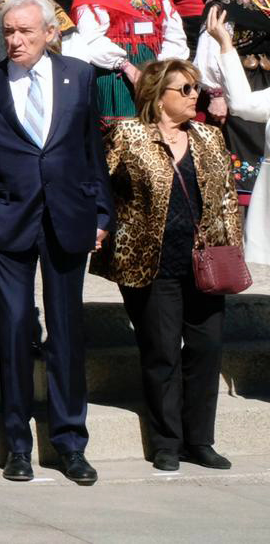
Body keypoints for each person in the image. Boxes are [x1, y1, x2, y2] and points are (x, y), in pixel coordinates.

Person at [0, 0, 112, 485]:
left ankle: (70, 442)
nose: (15, 41)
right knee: (14, 330)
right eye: (8, 32)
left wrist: (101, 211)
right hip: (7, 222)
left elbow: (88, 149)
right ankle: (17, 444)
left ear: (49, 33)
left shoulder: (78, 77)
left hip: (68, 218)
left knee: (67, 332)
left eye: (25, 32)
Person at [100, 39, 240, 473]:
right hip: (151, 262)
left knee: (206, 348)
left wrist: (230, 250)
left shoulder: (210, 137)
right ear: (158, 95)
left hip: (205, 263)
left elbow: (227, 200)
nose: (194, 95)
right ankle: (166, 441)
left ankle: (200, 440)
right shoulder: (128, 135)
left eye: (196, 88)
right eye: (185, 89)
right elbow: (102, 188)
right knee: (161, 352)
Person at [73, 0, 188, 127]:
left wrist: (162, 68)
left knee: (157, 131)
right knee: (122, 134)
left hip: (155, 68)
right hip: (116, 72)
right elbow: (91, 38)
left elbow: (172, 28)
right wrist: (128, 68)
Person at [194, 0, 270, 213]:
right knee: (243, 150)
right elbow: (211, 45)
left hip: (265, 83)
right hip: (238, 81)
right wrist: (215, 93)